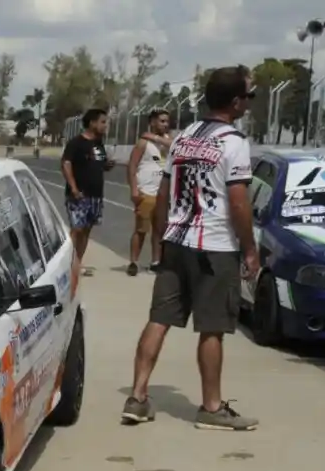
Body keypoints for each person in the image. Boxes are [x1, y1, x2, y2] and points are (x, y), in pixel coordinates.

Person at [122, 66, 260, 431]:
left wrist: (165, 234)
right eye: (247, 96)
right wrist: (249, 250)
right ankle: (211, 408)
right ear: (235, 102)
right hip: (214, 246)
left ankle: (137, 397)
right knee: (212, 328)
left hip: (177, 242)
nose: (248, 103)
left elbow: (165, 192)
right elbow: (239, 201)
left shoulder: (185, 137)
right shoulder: (234, 142)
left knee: (159, 318)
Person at [61, 108, 114, 281]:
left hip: (95, 195)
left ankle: (77, 263)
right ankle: (65, 263)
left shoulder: (99, 144)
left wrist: (108, 164)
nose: (105, 125)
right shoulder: (76, 142)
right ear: (92, 123)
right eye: (103, 122)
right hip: (79, 194)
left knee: (86, 230)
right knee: (77, 229)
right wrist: (74, 188)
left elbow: (100, 163)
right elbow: (66, 164)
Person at [126, 109, 172, 276]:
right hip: (146, 192)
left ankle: (156, 262)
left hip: (163, 194)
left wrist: (155, 138)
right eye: (161, 121)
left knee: (160, 230)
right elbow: (131, 166)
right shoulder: (143, 143)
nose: (165, 124)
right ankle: (134, 262)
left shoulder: (168, 141)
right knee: (141, 229)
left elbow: (176, 147)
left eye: (167, 121)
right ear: (152, 122)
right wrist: (134, 189)